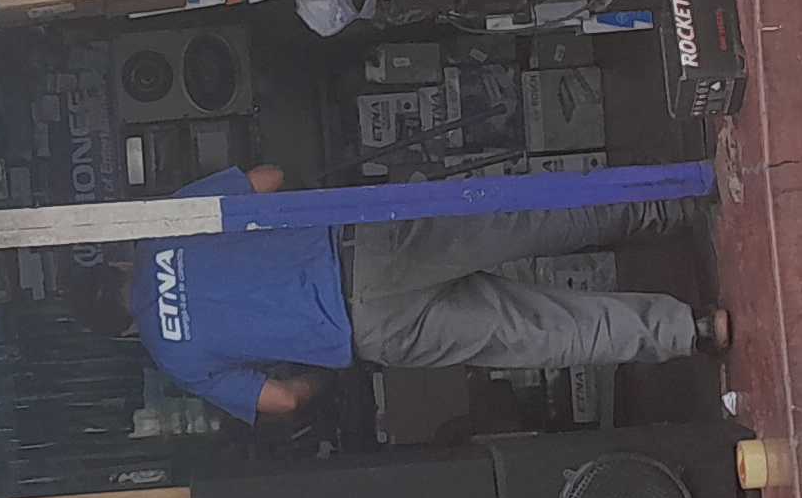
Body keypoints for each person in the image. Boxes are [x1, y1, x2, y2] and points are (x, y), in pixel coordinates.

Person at [60, 164, 719, 425]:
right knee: (525, 220)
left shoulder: (176, 359)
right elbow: (269, 179)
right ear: (117, 260)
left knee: (535, 331)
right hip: (367, 244)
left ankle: (692, 330)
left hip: (368, 334)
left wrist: (318, 368)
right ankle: (671, 204)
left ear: (121, 331)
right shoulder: (169, 226)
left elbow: (282, 399)